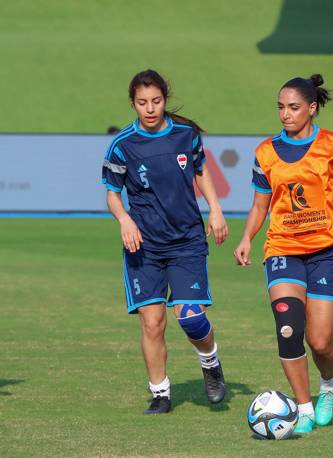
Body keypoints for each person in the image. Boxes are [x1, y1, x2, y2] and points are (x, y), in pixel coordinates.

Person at [233, 74, 333, 434]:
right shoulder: (265, 152)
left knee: (320, 341)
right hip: (282, 248)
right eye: (280, 107)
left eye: (293, 107)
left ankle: (327, 382)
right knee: (287, 327)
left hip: (327, 251)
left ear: (311, 108)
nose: (285, 114)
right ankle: (304, 409)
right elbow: (259, 206)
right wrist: (247, 237)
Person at [102, 69, 229, 415]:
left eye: (156, 101)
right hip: (144, 245)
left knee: (189, 316)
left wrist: (215, 209)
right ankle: (160, 393)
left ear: (164, 100)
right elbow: (112, 195)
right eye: (142, 102)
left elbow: (201, 171)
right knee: (152, 321)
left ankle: (210, 362)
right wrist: (124, 219)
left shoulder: (186, 135)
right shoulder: (122, 144)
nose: (150, 108)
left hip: (186, 239)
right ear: (133, 103)